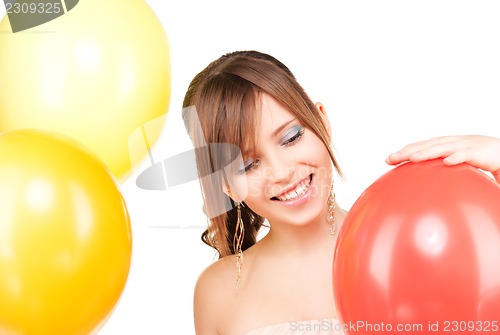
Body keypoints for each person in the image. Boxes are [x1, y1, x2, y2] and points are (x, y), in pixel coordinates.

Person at [181, 50, 500, 335]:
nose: (281, 172)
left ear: (321, 119)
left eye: (291, 137)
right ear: (224, 184)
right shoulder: (215, 292)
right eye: (248, 164)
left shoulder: (408, 244)